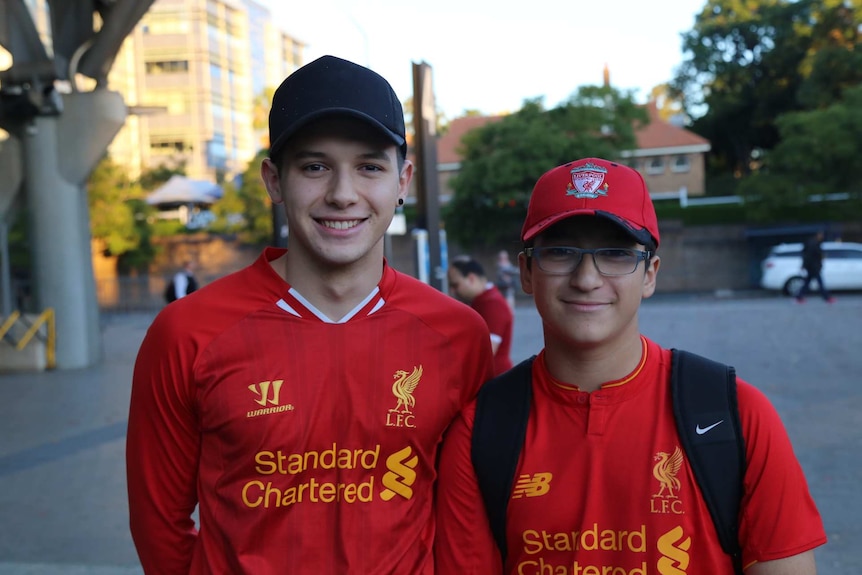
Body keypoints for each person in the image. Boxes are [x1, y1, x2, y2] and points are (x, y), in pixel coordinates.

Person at [127, 55, 494, 575]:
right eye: (314, 166)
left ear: (403, 180)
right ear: (274, 181)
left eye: (369, 166)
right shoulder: (186, 333)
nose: (343, 194)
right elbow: (159, 523)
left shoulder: (459, 334)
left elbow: (465, 519)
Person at [435, 158, 826, 574]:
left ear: (650, 275)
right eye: (562, 252)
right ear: (527, 271)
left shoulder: (736, 416)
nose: (587, 278)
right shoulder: (481, 430)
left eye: (617, 254)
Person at [448, 255, 514, 376]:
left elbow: (486, 352)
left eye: (455, 285)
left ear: (471, 279)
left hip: (495, 382)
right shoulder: (483, 301)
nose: (453, 291)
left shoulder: (492, 304)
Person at [796, 230, 834, 303]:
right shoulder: (814, 243)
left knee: (807, 282)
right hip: (813, 267)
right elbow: (809, 256)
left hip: (812, 266)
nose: (822, 236)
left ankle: (799, 296)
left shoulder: (814, 243)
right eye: (821, 235)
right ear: (817, 235)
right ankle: (826, 297)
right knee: (819, 283)